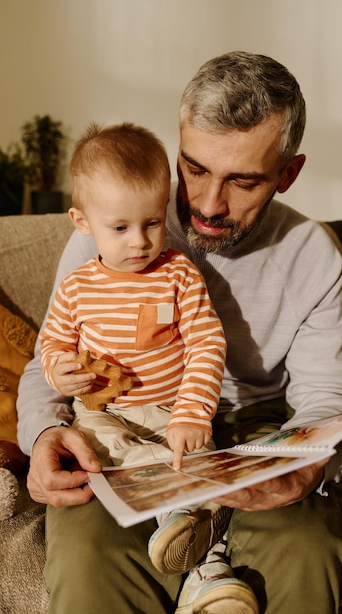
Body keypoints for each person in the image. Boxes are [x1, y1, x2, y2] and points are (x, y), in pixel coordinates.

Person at [18, 51, 342, 614]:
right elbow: (49, 360)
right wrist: (40, 437)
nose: (206, 204)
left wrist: (308, 463)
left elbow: (328, 392)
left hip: (256, 427)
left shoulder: (311, 255)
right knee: (85, 558)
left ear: (288, 174)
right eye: (195, 168)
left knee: (305, 549)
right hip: (127, 424)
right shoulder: (112, 225)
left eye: (243, 181)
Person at [37, 123, 246, 597]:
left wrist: (193, 413)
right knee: (94, 449)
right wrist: (59, 370)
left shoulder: (178, 274)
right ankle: (183, 514)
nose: (139, 242)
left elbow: (207, 343)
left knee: (193, 451)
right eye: (120, 228)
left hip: (173, 410)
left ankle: (208, 577)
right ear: (82, 222)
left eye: (152, 223)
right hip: (104, 415)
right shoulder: (76, 287)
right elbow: (51, 344)